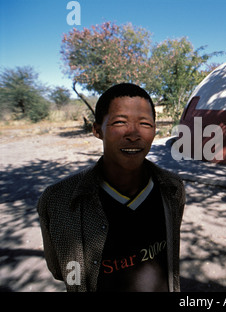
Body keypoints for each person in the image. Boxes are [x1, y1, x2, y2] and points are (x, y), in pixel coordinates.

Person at [37, 83, 185, 292]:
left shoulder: (172, 188)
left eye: (145, 124)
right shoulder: (59, 200)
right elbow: (61, 270)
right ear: (97, 130)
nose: (133, 134)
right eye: (120, 122)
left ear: (154, 129)